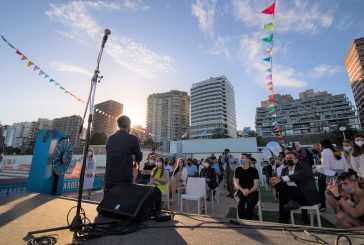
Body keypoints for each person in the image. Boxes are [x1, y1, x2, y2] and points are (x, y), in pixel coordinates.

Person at [270, 151, 321, 224]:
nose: (288, 160)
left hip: (305, 194)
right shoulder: (285, 170)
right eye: (287, 158)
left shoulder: (304, 166)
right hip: (290, 194)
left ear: (297, 159)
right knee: (281, 190)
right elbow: (281, 182)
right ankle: (289, 204)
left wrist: (281, 179)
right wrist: (273, 181)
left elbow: (298, 175)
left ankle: (283, 222)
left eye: (290, 158)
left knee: (284, 196)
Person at [104, 115, 143, 195]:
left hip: (110, 178)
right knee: (123, 203)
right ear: (129, 125)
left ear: (118, 125)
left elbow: (111, 152)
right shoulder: (132, 138)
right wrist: (133, 155)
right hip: (125, 178)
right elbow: (138, 158)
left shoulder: (110, 138)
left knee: (108, 203)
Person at [316, 139, 349, 211]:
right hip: (341, 174)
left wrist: (317, 167)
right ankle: (342, 207)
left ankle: (337, 211)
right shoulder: (337, 151)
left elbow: (325, 167)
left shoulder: (325, 152)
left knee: (331, 194)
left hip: (331, 174)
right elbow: (345, 164)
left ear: (322, 145)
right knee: (339, 193)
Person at [234, 153, 260, 220]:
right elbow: (236, 183)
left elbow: (256, 185)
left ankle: (248, 220)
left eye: (242, 158)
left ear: (248, 160)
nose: (240, 159)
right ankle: (242, 220)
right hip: (241, 191)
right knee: (240, 202)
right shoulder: (237, 170)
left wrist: (249, 191)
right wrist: (243, 190)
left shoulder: (254, 171)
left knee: (251, 202)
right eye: (240, 158)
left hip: (252, 191)